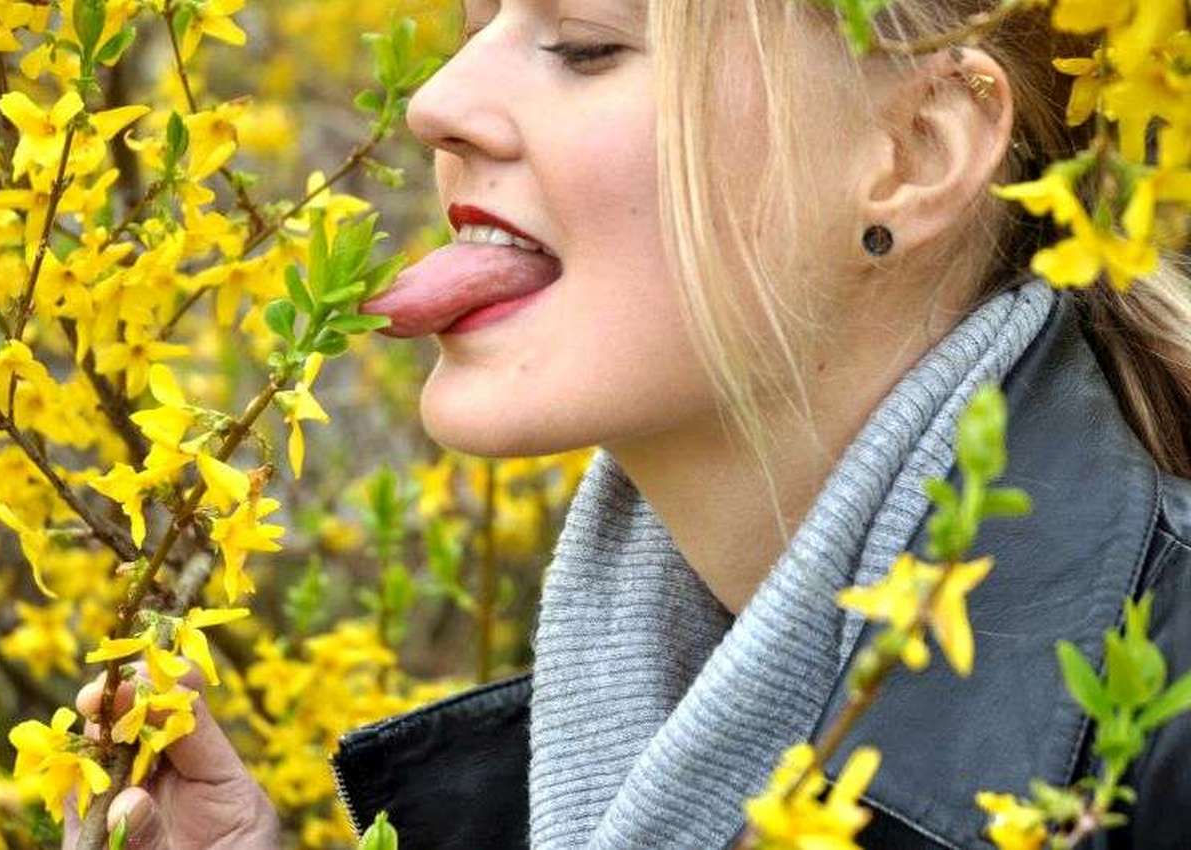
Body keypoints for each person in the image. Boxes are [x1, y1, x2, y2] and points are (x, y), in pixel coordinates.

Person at [66, 0, 1191, 848]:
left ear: (914, 153)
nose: (435, 101)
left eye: (583, 44)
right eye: (479, 22)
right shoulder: (590, 758)